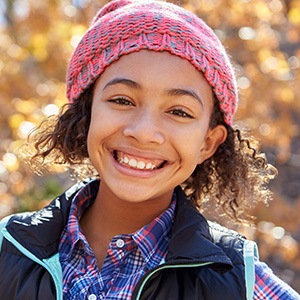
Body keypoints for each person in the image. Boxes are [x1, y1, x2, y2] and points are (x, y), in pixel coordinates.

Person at [0, 0, 299, 299]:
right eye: (122, 100)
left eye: (179, 112)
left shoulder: (240, 281)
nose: (143, 132)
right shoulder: (7, 248)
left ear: (207, 143)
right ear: (87, 113)